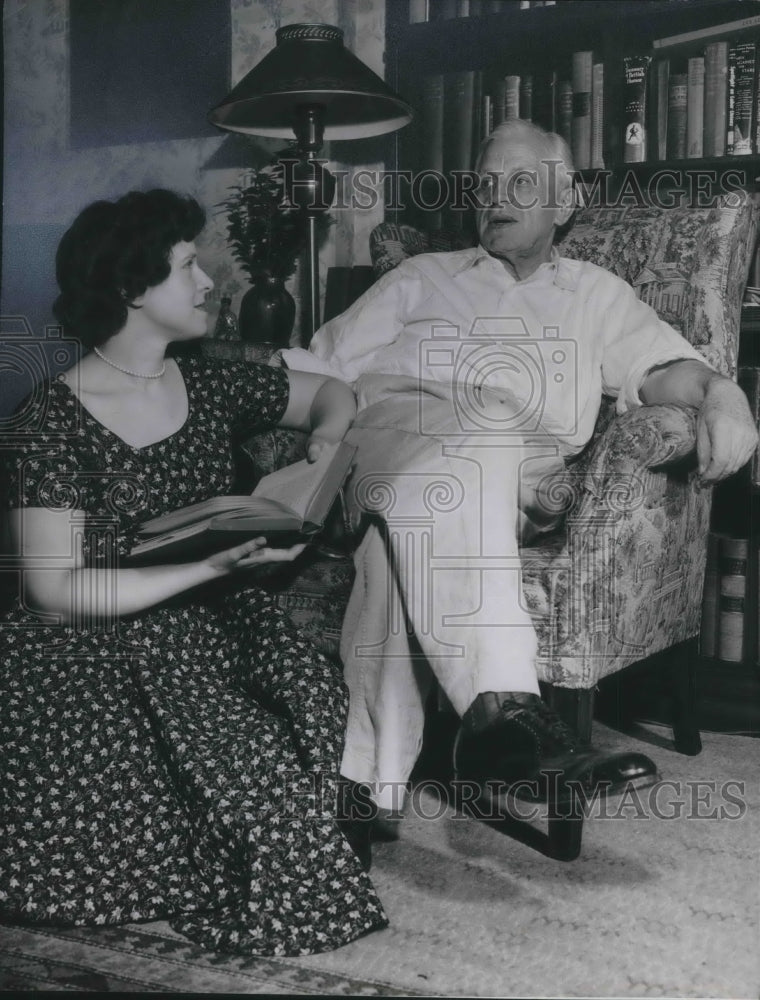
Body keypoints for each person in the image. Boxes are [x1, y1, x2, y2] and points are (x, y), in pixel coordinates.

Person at [281, 120, 759, 823]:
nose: (496, 198)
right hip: (390, 435)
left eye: (521, 183)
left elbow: (663, 370)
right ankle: (504, 709)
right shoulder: (420, 278)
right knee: (480, 424)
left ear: (565, 201)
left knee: (400, 538)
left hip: (499, 487)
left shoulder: (597, 296)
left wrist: (724, 393)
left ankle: (363, 789)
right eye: (486, 185)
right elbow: (322, 363)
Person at [0, 189, 388, 956]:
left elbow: (333, 392)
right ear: (129, 288)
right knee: (205, 774)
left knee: (310, 690)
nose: (210, 281)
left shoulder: (210, 383)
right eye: (187, 266)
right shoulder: (51, 419)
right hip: (91, 638)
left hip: (216, 612)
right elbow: (53, 589)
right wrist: (210, 563)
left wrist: (325, 444)